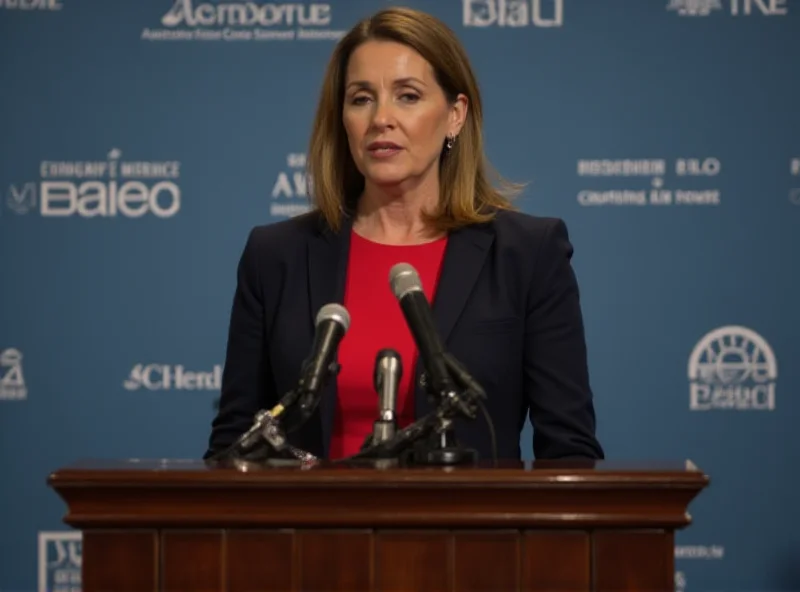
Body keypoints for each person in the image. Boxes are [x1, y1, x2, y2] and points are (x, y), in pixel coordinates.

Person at [204, 6, 603, 463]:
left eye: (408, 96)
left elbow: (569, 451)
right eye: (361, 98)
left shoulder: (526, 254)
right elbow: (234, 446)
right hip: (313, 533)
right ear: (342, 119)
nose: (381, 118)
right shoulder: (276, 256)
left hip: (471, 533)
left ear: (455, 115)